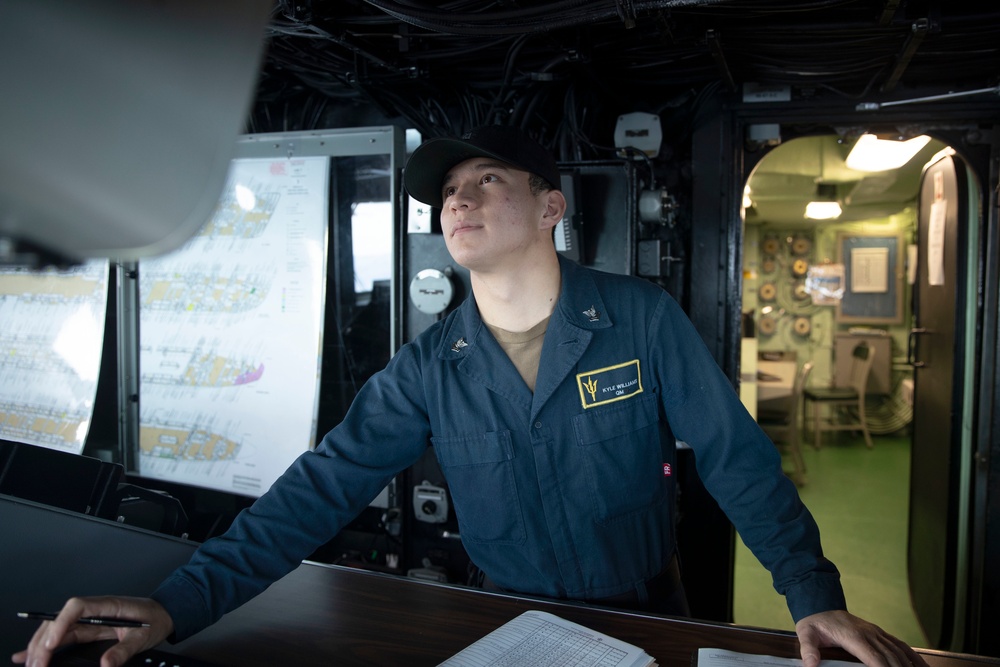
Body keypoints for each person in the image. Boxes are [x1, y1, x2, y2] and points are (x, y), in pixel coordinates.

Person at [14, 125, 927, 667]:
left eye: (487, 179)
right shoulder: (427, 366)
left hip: (652, 608)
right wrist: (182, 603)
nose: (458, 200)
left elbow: (735, 459)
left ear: (550, 206)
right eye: (448, 192)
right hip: (509, 621)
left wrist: (811, 594)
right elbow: (314, 493)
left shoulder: (640, 319)